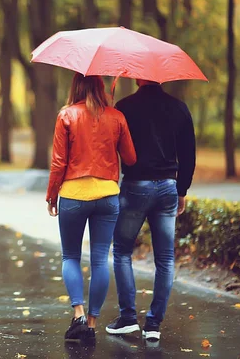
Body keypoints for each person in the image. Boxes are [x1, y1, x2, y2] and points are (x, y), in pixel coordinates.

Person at [46, 73, 136, 342]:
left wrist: (52, 196)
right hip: (108, 196)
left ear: (75, 86)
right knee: (99, 259)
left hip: (73, 195)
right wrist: (116, 125)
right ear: (100, 88)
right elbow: (130, 158)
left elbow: (59, 162)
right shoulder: (116, 116)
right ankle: (93, 323)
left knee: (70, 256)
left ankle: (79, 315)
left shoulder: (66, 115)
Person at [106, 79, 196, 342]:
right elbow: (188, 154)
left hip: (135, 186)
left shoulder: (124, 107)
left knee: (122, 251)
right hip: (168, 188)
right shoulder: (179, 108)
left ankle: (128, 318)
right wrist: (182, 190)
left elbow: (114, 147)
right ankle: (154, 324)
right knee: (165, 259)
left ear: (137, 78)